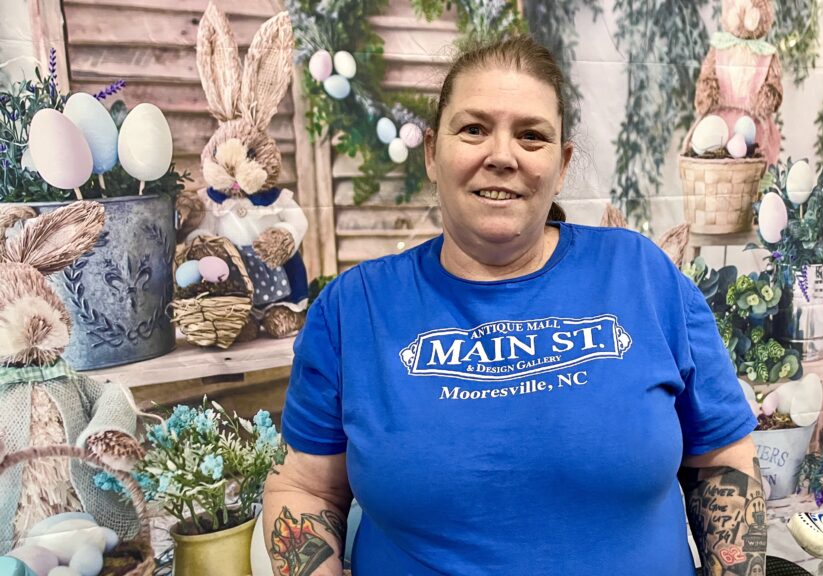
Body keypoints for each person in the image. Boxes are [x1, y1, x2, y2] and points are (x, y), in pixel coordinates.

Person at [262, 35, 766, 576]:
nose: (502, 156)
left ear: (562, 164)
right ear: (432, 153)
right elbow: (306, 488)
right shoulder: (353, 309)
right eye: (474, 129)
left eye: (531, 136)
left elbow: (723, 461)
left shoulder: (644, 276)